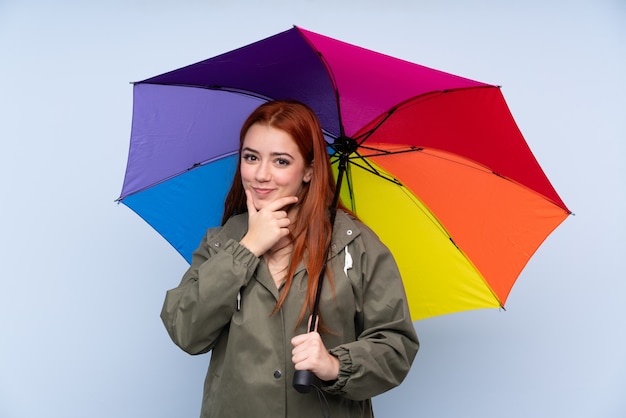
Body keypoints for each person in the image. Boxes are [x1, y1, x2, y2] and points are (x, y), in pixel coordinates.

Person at [161, 100, 419, 418]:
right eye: (251, 157)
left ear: (309, 169)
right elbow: (186, 331)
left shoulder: (356, 245)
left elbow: (396, 345)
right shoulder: (222, 242)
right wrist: (246, 249)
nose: (261, 174)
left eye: (281, 161)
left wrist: (335, 364)